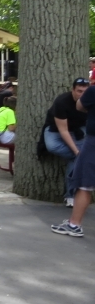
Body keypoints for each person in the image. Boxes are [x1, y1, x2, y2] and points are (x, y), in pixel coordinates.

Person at [52, 80, 95, 237]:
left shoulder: (92, 92)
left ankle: (74, 224)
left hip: (93, 141)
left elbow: (80, 106)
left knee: (85, 184)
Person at [42, 78, 89, 207]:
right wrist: (76, 151)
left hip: (79, 129)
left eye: (85, 91)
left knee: (78, 158)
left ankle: (70, 195)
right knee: (52, 147)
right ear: (73, 90)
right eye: (79, 91)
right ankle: (79, 156)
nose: (82, 94)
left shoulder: (90, 100)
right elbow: (63, 130)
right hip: (56, 130)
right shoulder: (62, 102)